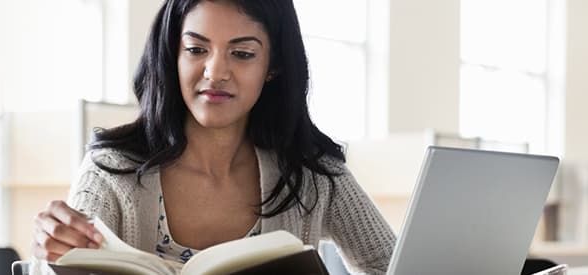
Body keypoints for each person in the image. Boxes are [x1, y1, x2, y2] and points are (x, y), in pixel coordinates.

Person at [31, 0, 395, 273]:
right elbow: (63, 264)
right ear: (172, 55)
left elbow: (396, 265)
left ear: (274, 66)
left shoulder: (310, 174)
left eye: (242, 53)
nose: (216, 71)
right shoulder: (111, 171)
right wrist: (52, 251)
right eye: (196, 49)